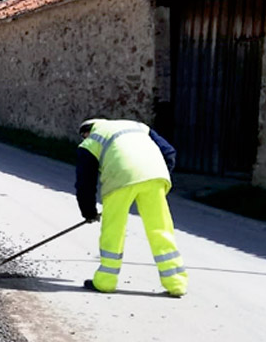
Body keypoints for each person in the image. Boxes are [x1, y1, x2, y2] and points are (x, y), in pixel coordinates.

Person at [76, 117, 188, 297]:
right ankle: (176, 283)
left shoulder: (91, 142)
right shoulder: (138, 126)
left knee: (114, 229)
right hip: (155, 176)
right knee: (161, 228)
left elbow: (85, 183)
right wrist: (156, 176)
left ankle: (105, 280)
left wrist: (89, 212)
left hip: (119, 179)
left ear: (86, 132)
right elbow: (169, 152)